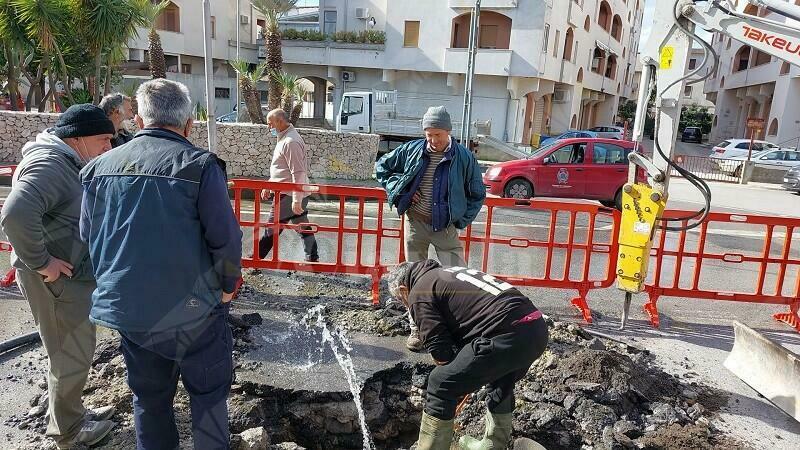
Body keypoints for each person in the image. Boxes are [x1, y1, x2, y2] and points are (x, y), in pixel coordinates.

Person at [79, 79, 242, 449]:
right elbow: (227, 240)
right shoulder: (200, 166)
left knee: (149, 402)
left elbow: (89, 235)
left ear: (137, 119)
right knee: (208, 400)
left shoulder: (97, 169)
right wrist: (228, 286)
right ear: (188, 125)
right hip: (193, 309)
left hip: (130, 311)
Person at [0, 104, 117, 449]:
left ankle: (72, 412)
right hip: (54, 281)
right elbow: (16, 214)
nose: (108, 148)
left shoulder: (66, 161)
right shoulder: (50, 165)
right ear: (76, 138)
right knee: (70, 353)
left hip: (67, 278)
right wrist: (42, 262)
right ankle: (68, 432)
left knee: (73, 349)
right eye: (103, 140)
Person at [386, 260, 549, 450]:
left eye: (402, 300)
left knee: (440, 383)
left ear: (404, 289)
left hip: (508, 334)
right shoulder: (447, 272)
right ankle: (494, 444)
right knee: (501, 376)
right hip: (535, 330)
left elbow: (440, 351)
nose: (407, 305)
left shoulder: (419, 291)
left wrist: (455, 380)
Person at [375, 105, 486, 351]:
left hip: (445, 226)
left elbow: (477, 193)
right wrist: (401, 190)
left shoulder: (464, 157)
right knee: (413, 278)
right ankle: (418, 327)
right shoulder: (412, 150)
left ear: (448, 131)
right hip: (414, 222)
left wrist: (461, 219)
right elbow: (382, 167)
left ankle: (460, 326)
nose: (433, 140)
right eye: (429, 134)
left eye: (438, 134)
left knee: (458, 276)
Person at [257, 108, 319, 262]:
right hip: (289, 193)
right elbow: (282, 171)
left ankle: (256, 259)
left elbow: (297, 172)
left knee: (272, 228)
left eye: (270, 124)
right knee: (303, 228)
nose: (269, 128)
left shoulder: (290, 142)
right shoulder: (285, 139)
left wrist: (296, 199)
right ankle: (312, 258)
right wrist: (269, 185)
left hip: (288, 195)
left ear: (280, 121)